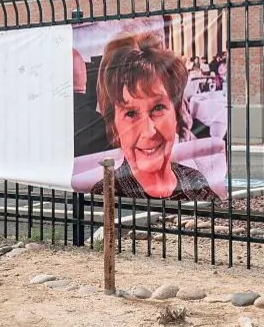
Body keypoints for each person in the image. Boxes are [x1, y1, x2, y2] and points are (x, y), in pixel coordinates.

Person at [89, 32, 218, 202]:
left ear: (175, 113)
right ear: (114, 125)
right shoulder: (108, 193)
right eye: (131, 113)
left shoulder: (195, 181)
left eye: (158, 108)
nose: (149, 131)